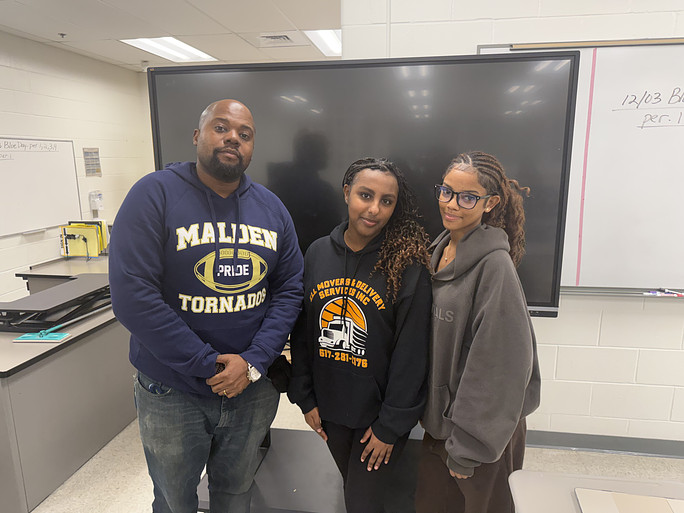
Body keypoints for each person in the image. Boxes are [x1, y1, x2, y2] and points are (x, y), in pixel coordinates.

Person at [108, 99, 304, 513]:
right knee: (174, 500)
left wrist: (253, 361)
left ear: (252, 147)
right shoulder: (153, 194)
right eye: (221, 127)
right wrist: (208, 364)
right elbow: (132, 296)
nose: (233, 138)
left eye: (244, 134)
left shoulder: (272, 208)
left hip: (251, 389)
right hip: (172, 391)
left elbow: (290, 288)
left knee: (236, 494)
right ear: (198, 136)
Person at [288, 157, 432, 513]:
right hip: (331, 409)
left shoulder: (407, 264)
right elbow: (304, 332)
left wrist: (390, 427)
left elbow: (412, 353)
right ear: (346, 192)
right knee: (357, 494)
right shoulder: (317, 253)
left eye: (387, 201)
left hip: (379, 417)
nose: (374, 209)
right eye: (365, 195)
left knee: (361, 502)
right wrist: (305, 398)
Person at [415, 151, 541, 513]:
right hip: (444, 427)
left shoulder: (495, 267)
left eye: (468, 197)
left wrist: (470, 448)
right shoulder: (440, 249)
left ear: (490, 203)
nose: (452, 204)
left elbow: (499, 369)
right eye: (446, 191)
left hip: (480, 437)